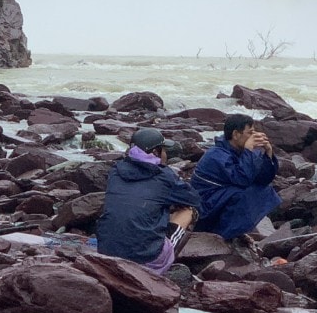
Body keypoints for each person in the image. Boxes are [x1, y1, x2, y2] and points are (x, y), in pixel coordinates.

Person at [95, 127, 201, 276]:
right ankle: (163, 262)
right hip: (146, 259)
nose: (166, 153)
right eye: (163, 149)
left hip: (106, 253)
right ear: (156, 153)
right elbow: (194, 199)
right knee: (189, 210)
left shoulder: (115, 171)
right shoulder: (164, 176)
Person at [190, 113, 281, 241]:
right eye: (250, 133)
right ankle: (222, 235)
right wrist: (249, 150)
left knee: (263, 189)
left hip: (220, 199)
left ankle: (235, 231)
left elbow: (263, 179)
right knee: (244, 194)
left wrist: (268, 153)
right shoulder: (216, 155)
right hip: (204, 206)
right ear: (236, 134)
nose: (253, 137)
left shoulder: (242, 151)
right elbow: (242, 179)